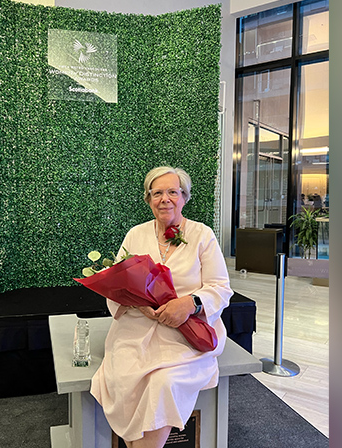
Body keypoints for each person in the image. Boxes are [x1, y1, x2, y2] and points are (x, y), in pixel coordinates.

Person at [90, 166, 232, 448]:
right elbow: (116, 284)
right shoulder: (135, 234)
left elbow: (221, 287)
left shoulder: (202, 235)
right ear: (148, 199)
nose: (165, 199)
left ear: (184, 197)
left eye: (172, 192)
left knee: (164, 383)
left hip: (184, 336)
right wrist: (137, 302)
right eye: (157, 193)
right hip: (135, 331)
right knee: (124, 377)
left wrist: (190, 303)